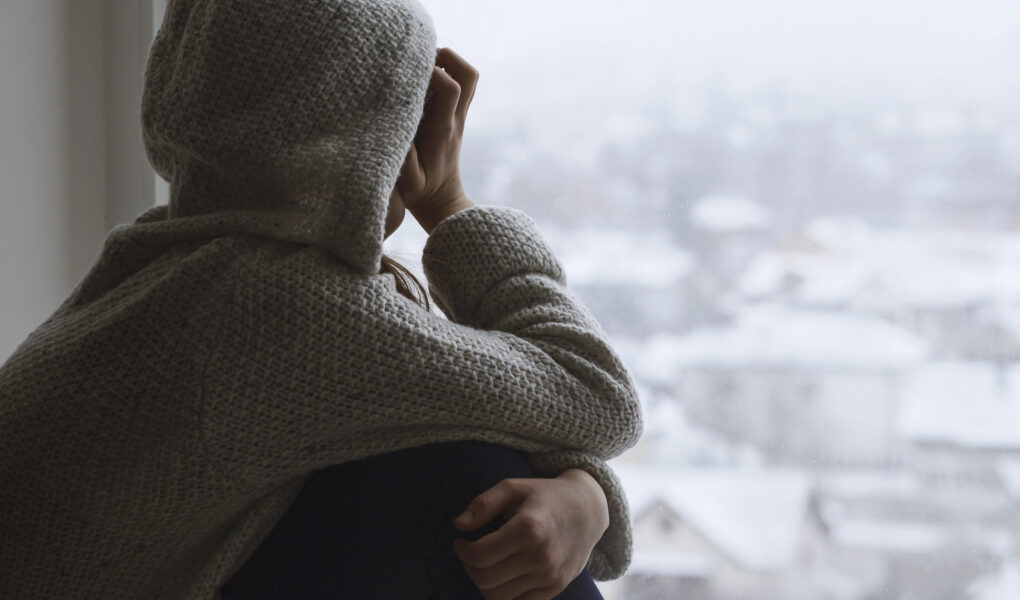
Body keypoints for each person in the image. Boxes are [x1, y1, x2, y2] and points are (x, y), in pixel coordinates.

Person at [0, 1, 643, 599]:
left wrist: (589, 493)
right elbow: (594, 393)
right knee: (470, 479)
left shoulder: (160, 264)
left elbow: (443, 408)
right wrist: (447, 203)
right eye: (400, 114)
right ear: (348, 137)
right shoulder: (279, 307)